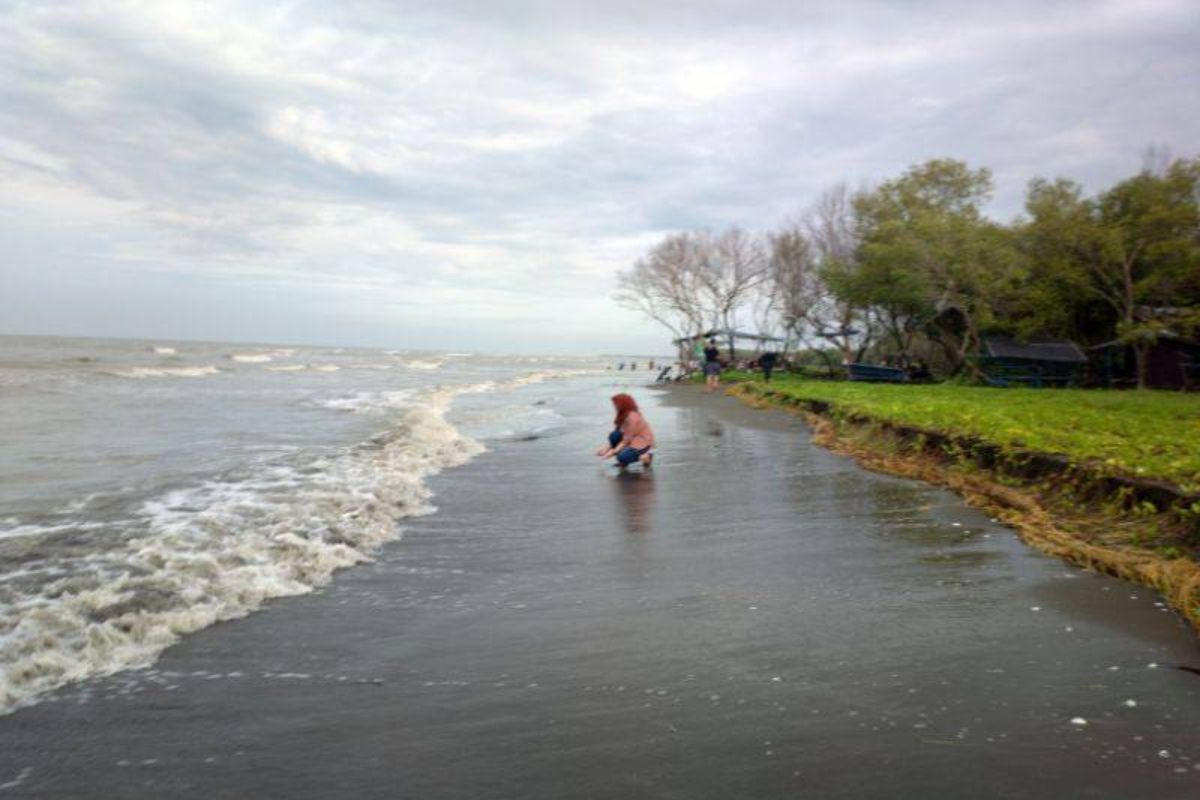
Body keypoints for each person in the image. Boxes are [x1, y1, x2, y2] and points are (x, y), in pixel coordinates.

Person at [596, 393, 654, 468]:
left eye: (616, 404)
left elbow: (626, 440)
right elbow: (618, 436)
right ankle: (625, 460)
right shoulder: (622, 416)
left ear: (623, 404)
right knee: (614, 435)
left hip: (642, 443)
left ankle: (647, 457)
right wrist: (605, 449)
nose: (615, 407)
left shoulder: (633, 417)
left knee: (622, 457)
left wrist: (611, 453)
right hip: (631, 440)